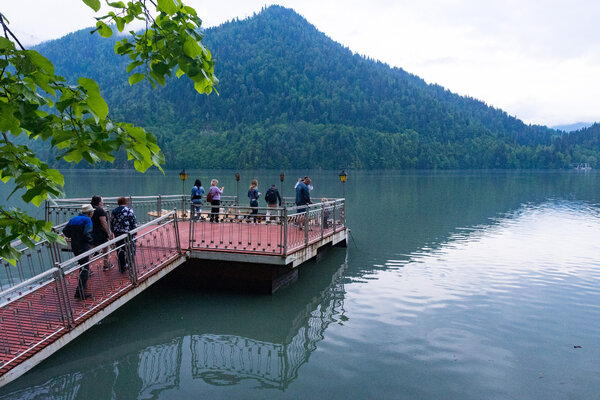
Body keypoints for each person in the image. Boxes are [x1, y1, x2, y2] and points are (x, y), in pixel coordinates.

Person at [63, 204, 95, 299]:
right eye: (92, 212)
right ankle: (79, 292)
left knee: (82, 266)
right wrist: (92, 243)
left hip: (75, 246)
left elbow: (65, 230)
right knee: (85, 268)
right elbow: (87, 233)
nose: (93, 213)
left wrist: (73, 236)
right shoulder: (87, 220)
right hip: (83, 246)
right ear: (89, 213)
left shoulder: (73, 219)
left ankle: (83, 286)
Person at [110, 197, 138, 273]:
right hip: (127, 233)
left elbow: (111, 222)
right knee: (131, 249)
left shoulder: (114, 211)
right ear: (125, 202)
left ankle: (122, 267)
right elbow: (133, 220)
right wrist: (135, 230)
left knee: (120, 250)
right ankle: (128, 264)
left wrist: (113, 231)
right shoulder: (128, 210)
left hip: (117, 233)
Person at [91, 195, 114, 270]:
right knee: (105, 247)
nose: (102, 202)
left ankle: (88, 269)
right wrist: (108, 233)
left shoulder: (90, 209)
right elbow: (103, 222)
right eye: (102, 201)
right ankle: (106, 264)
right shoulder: (100, 210)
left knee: (89, 250)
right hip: (99, 233)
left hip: (89, 232)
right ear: (99, 202)